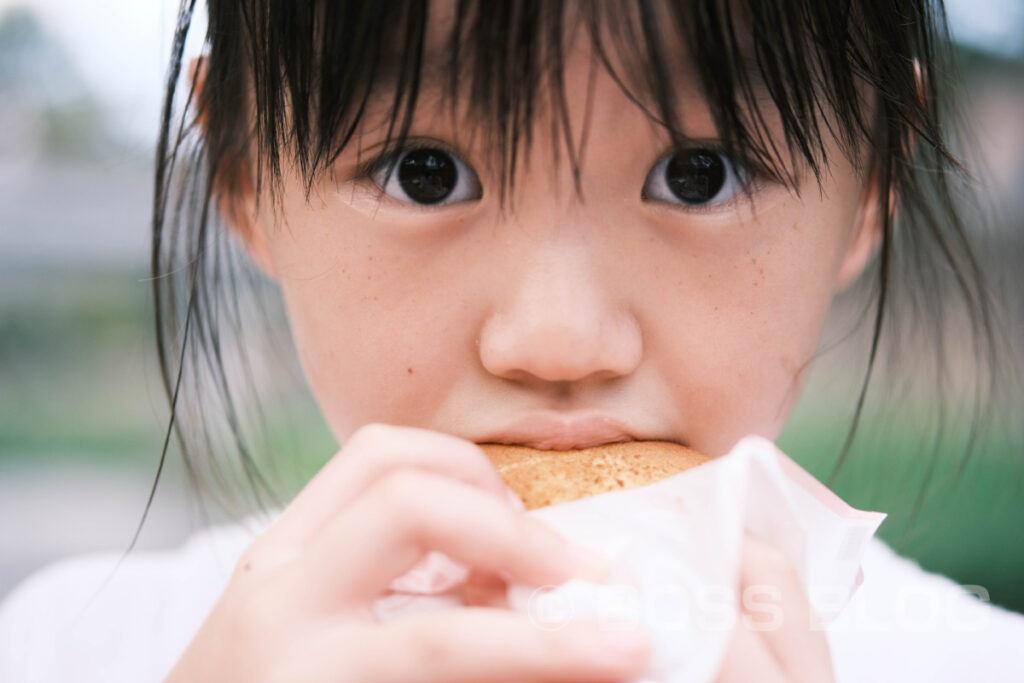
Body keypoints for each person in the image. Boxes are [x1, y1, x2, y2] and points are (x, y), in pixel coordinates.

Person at [1, 0, 1022, 681]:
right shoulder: (76, 646)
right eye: (424, 171)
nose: (557, 339)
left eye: (701, 173)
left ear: (867, 194)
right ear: (244, 175)